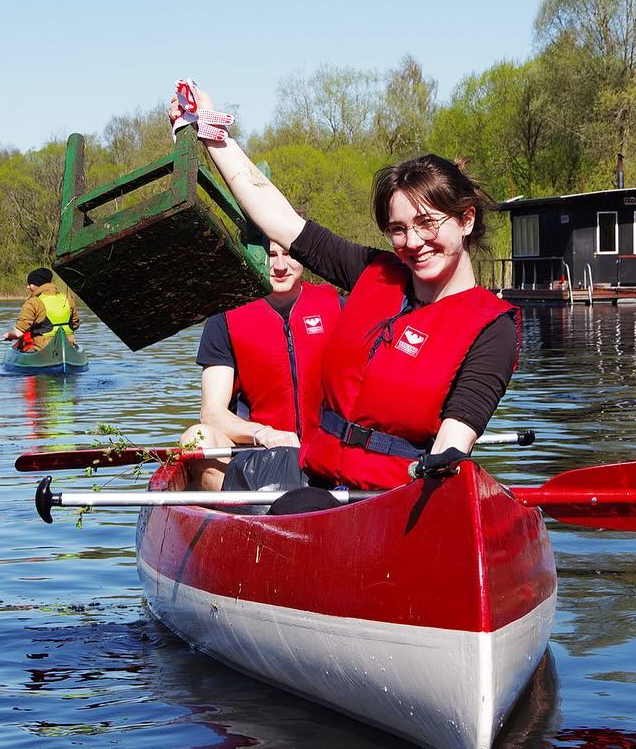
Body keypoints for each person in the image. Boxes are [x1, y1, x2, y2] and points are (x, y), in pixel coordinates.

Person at [171, 82, 518, 490]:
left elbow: (454, 440)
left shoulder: (493, 328)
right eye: (398, 229)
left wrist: (435, 475)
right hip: (312, 472)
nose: (414, 242)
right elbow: (276, 216)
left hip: (388, 494)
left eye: (428, 223)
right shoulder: (374, 271)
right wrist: (212, 133)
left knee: (299, 509)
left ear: (466, 220)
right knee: (223, 462)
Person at [179, 241, 341, 491]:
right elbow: (211, 413)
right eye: (269, 256)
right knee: (196, 437)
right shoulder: (224, 316)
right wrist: (262, 433)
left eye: (288, 254)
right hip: (259, 457)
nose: (279, 266)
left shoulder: (337, 306)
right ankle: (237, 516)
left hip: (327, 455)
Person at [2, 267, 80, 351]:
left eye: (30, 284)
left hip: (42, 349)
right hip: (68, 346)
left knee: (22, 346)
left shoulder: (33, 302)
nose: (28, 287)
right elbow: (75, 324)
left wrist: (8, 334)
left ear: (36, 284)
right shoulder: (67, 298)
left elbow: (18, 333)